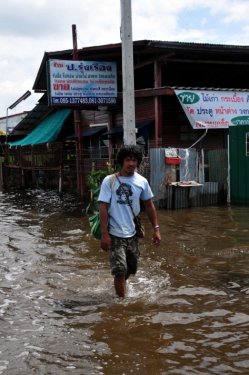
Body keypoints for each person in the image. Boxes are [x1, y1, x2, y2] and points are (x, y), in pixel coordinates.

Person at [98, 145, 161, 298]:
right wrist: (104, 234)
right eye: (128, 160)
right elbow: (103, 207)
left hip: (132, 234)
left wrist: (156, 229)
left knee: (130, 269)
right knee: (120, 270)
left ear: (138, 162)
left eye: (134, 160)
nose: (131, 163)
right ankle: (122, 303)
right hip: (115, 233)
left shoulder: (142, 181)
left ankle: (120, 285)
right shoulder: (110, 181)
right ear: (122, 161)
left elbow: (149, 205)